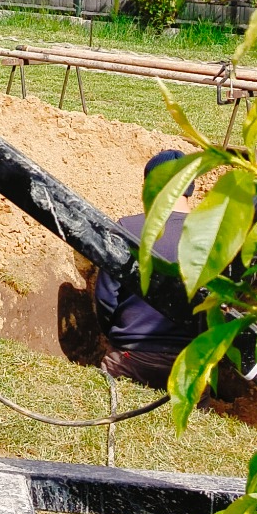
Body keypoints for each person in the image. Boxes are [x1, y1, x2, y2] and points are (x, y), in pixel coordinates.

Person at [92, 149, 199, 390]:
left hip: (130, 360)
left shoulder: (127, 228)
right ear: (189, 186)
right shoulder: (216, 235)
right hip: (190, 367)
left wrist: (117, 336)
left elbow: (105, 298)